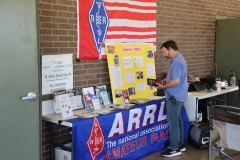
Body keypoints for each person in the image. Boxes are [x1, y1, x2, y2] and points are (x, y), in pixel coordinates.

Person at [155, 40, 188, 157]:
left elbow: (176, 80)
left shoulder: (177, 62)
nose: (164, 55)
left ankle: (174, 148)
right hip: (179, 96)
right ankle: (180, 144)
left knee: (173, 123)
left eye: (164, 52)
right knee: (178, 121)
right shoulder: (179, 59)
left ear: (170, 49)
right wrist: (165, 81)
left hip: (175, 97)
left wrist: (163, 86)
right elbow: (174, 78)